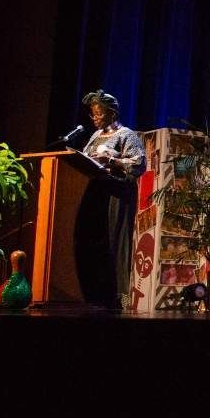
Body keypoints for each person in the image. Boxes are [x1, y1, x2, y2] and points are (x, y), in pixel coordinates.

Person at [80, 90, 145, 308]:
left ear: (112, 112)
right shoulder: (94, 136)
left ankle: (118, 297)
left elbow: (139, 164)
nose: (96, 118)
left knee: (116, 242)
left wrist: (112, 160)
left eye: (99, 114)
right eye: (93, 115)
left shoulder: (127, 135)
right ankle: (94, 292)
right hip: (94, 194)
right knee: (95, 242)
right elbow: (84, 158)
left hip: (118, 194)